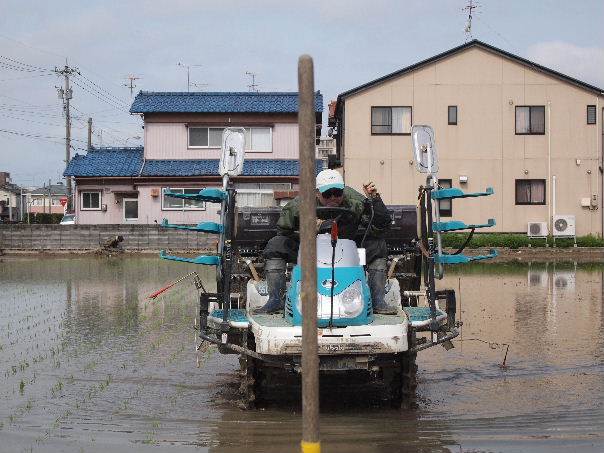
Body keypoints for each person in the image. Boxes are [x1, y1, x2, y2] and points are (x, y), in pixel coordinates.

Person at [255, 169, 396, 315]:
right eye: (327, 194)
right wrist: (312, 226)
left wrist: (375, 199)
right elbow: (283, 230)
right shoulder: (299, 204)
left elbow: (381, 225)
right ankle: (275, 300)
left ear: (343, 191)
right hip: (308, 249)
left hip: (348, 247)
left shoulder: (356, 201)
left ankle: (378, 301)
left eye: (338, 193)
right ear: (317, 193)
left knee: (378, 245)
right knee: (276, 244)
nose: (333, 198)